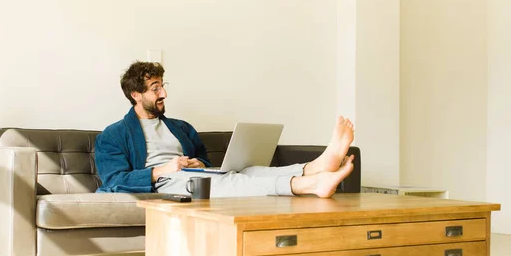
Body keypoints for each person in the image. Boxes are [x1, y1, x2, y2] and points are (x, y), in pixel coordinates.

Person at [95, 61, 355, 198]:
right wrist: (162, 169)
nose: (163, 93)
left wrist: (198, 163)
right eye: (155, 88)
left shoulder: (181, 128)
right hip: (164, 184)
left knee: (249, 171)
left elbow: (204, 160)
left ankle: (317, 165)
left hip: (190, 176)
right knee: (226, 181)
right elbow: (115, 181)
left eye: (163, 85)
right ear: (136, 95)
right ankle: (307, 185)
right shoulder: (113, 135)